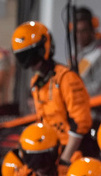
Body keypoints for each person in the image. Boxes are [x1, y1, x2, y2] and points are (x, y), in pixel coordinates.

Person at [11, 20, 93, 163]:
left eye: (32, 56)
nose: (32, 64)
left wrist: (65, 159)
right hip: (49, 148)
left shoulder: (67, 78)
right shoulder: (36, 82)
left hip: (71, 152)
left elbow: (80, 122)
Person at [74, 8, 101, 97]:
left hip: (93, 107)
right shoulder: (76, 54)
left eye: (83, 31)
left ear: (92, 30)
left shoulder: (100, 53)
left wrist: (77, 93)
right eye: (76, 31)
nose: (79, 35)